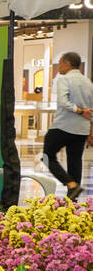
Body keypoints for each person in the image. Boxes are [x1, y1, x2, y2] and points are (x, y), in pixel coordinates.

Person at [43, 51, 93, 200]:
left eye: (60, 64)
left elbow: (64, 103)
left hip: (63, 126)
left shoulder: (64, 80)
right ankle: (73, 200)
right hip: (81, 129)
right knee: (75, 161)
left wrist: (79, 110)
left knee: (47, 156)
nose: (59, 67)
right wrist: (91, 131)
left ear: (67, 63)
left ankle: (71, 185)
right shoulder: (88, 82)